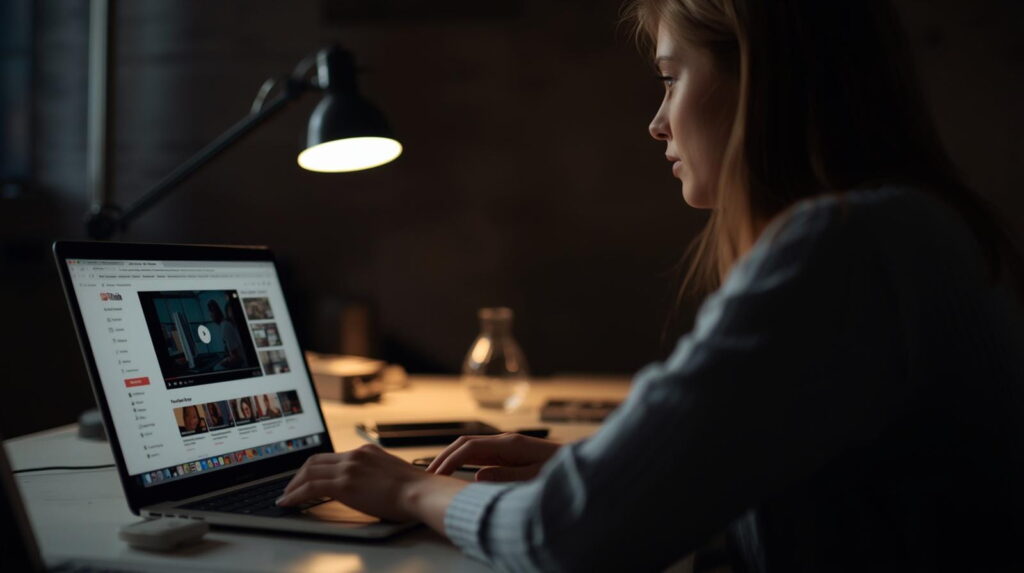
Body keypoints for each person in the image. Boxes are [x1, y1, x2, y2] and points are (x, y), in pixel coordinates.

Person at [277, 1, 1024, 571]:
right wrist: (605, 466)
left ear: (760, 76)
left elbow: (568, 536)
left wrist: (406, 490)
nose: (657, 123)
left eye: (671, 79)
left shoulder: (843, 246)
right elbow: (814, 481)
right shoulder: (918, 227)